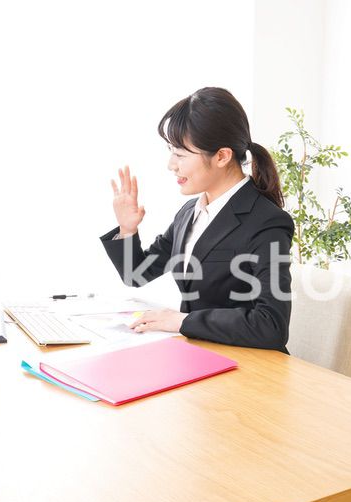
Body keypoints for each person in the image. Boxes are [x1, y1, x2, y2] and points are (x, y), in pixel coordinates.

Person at [100, 87, 294, 353]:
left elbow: (270, 325)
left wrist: (181, 321)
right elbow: (137, 274)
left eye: (180, 154)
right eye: (171, 152)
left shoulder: (267, 222)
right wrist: (127, 229)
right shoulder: (190, 212)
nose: (171, 164)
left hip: (248, 366)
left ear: (222, 156)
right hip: (201, 355)